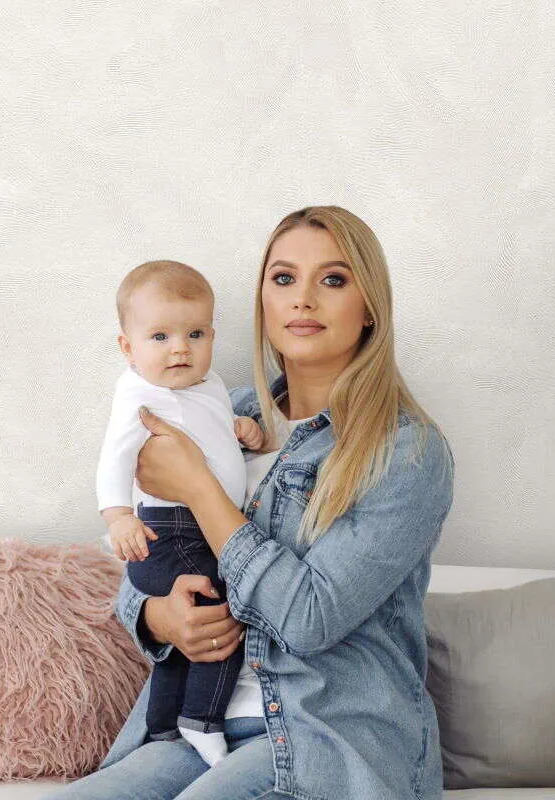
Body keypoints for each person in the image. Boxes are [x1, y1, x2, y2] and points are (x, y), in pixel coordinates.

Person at [50, 205, 455, 799]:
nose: (303, 300)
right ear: (263, 302)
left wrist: (201, 489)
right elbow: (145, 555)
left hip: (324, 738)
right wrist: (161, 617)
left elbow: (310, 619)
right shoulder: (219, 412)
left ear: (370, 307)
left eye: (333, 280)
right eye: (284, 278)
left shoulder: (404, 452)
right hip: (194, 729)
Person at [95, 260, 266, 766]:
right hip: (170, 531)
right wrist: (118, 517)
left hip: (197, 530)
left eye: (195, 334)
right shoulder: (140, 394)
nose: (180, 349)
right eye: (160, 336)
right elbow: (115, 457)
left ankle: (165, 725)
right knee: (226, 610)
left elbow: (206, 433)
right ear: (128, 347)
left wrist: (240, 430)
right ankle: (202, 719)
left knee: (186, 632)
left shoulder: (207, 385)